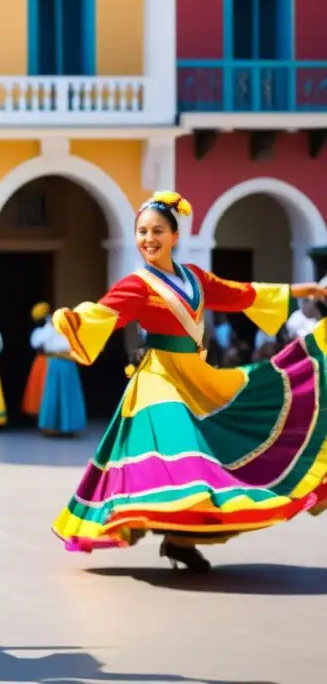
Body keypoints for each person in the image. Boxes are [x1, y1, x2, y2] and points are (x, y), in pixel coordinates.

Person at [51, 191, 327, 573]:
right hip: (158, 377)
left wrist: (302, 290)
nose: (149, 238)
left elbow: (239, 294)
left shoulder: (194, 277)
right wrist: (73, 319)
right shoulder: (138, 284)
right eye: (142, 231)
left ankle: (181, 539)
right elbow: (105, 311)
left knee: (221, 440)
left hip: (197, 374)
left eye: (158, 230)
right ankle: (157, 525)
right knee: (184, 451)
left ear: (175, 236)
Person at [35, 315, 87, 437]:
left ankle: (70, 427)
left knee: (69, 394)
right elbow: (36, 342)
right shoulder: (49, 329)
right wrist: (49, 329)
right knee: (53, 393)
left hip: (68, 363)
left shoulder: (71, 328)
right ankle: (51, 427)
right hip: (56, 362)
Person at [21, 302, 50, 419]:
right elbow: (36, 344)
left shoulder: (53, 328)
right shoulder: (38, 332)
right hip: (42, 361)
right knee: (39, 388)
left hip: (52, 359)